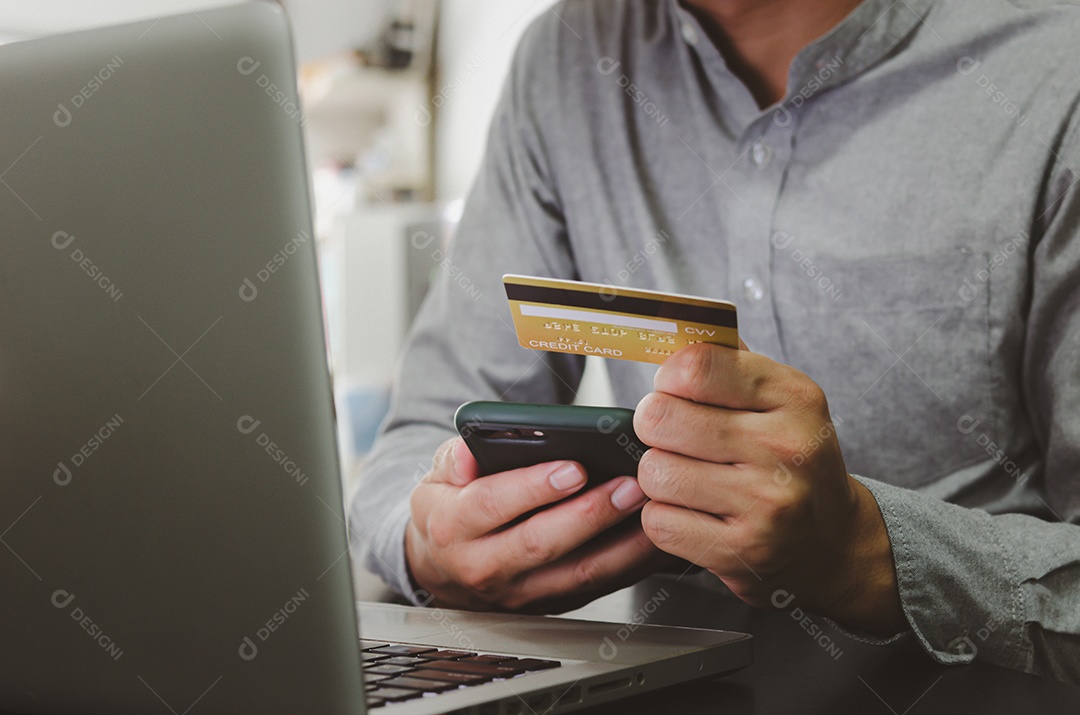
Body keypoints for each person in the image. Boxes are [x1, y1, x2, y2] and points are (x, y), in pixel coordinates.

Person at [350, 0, 1080, 682]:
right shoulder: (569, 58)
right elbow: (419, 442)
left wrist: (864, 554)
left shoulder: (1054, 71)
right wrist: (429, 545)